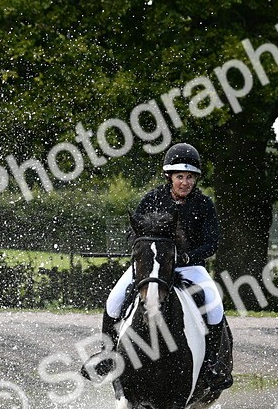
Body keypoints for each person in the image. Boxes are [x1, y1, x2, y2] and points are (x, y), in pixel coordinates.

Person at [83, 142, 231, 392]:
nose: (185, 182)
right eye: (180, 176)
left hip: (188, 267)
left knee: (215, 305)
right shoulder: (152, 199)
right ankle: (108, 355)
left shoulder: (204, 204)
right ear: (169, 177)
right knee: (114, 299)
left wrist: (187, 257)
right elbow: (135, 234)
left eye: (190, 177)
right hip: (151, 268)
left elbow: (211, 243)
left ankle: (211, 365)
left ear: (196, 179)